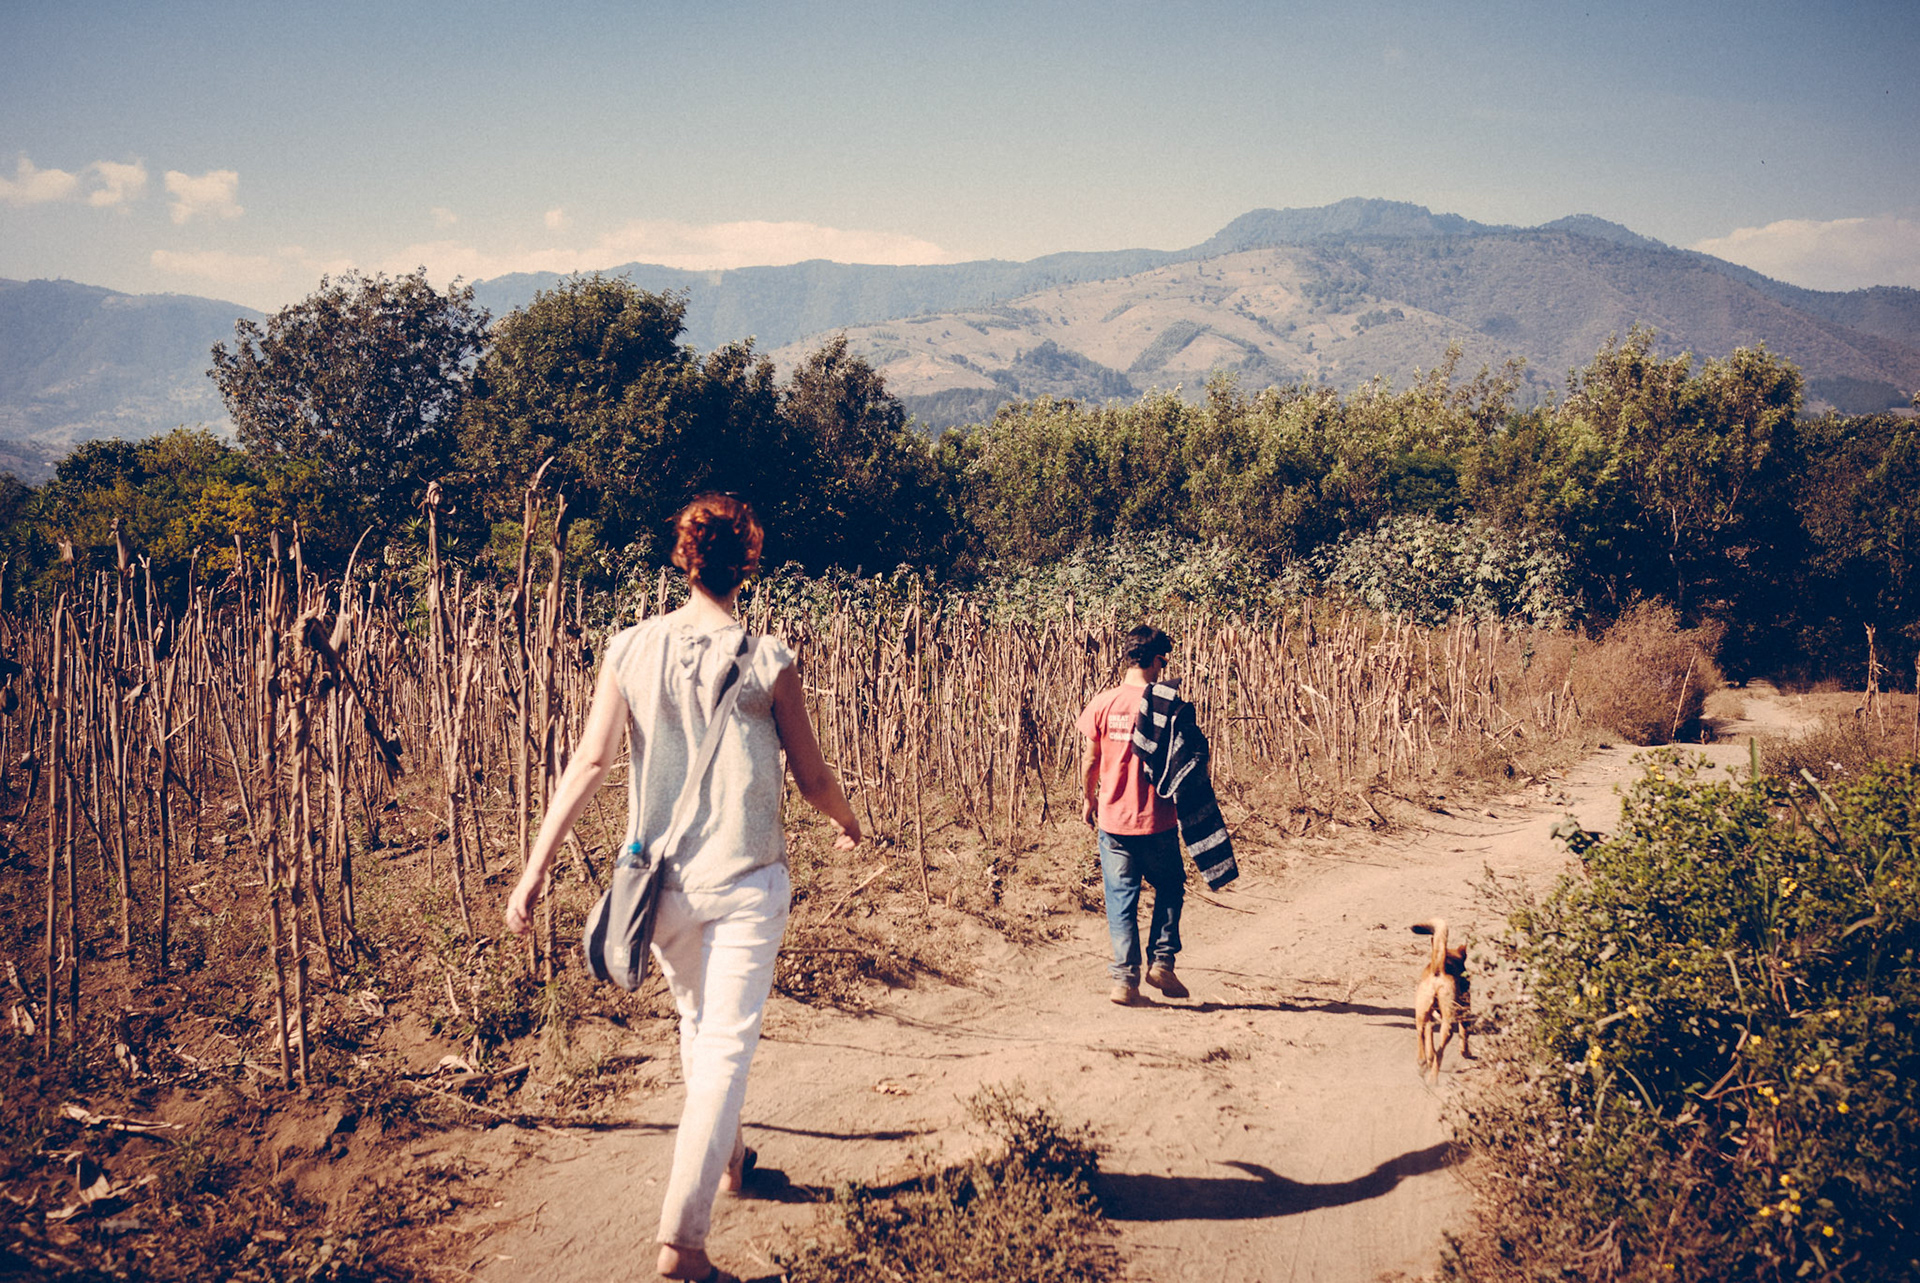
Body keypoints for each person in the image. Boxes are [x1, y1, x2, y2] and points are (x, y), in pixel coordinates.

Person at [505, 494, 861, 1283]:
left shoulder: (630, 647)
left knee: (701, 1024)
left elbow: (590, 763)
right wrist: (849, 821)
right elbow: (810, 776)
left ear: (683, 558)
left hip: (658, 887)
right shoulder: (768, 660)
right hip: (744, 880)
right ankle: (683, 1245)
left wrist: (535, 868)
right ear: (749, 564)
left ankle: (731, 1160)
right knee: (725, 1047)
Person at [1077, 624, 1189, 1005]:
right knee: (1171, 886)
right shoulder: (1169, 704)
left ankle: (1125, 981)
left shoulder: (1103, 703)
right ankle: (1161, 961)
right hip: (1157, 820)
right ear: (1157, 660)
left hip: (1114, 821)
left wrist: (1089, 798)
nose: (1163, 668)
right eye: (1163, 661)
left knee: (1120, 899)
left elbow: (1091, 759)